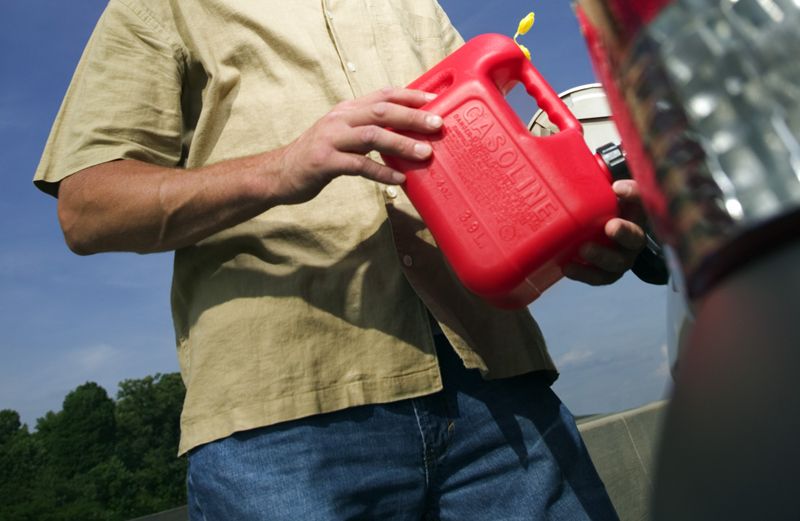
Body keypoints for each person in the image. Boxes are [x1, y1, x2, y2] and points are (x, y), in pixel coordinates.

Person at [36, 1, 646, 519]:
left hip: (503, 392)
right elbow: (88, 208)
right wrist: (284, 166)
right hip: (285, 427)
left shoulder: (412, 6)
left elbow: (494, 175)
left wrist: (573, 243)